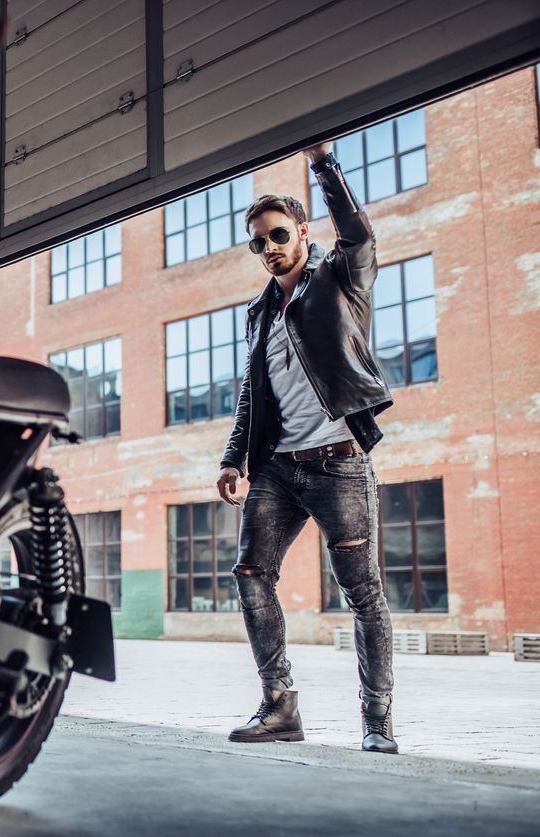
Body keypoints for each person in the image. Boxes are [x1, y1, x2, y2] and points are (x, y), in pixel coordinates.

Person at [216, 141, 398, 753]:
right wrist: (233, 457)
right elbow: (252, 391)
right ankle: (279, 707)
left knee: (362, 592)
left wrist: (324, 164)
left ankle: (376, 722)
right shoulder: (259, 312)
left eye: (277, 236)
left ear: (300, 232)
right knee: (249, 574)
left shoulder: (341, 277)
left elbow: (358, 232)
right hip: (276, 468)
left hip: (339, 463)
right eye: (258, 243)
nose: (269, 249)